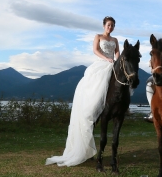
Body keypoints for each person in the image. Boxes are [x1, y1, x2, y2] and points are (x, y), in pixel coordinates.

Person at [45, 16, 120, 167]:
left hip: (113, 64)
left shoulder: (116, 40)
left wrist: (116, 61)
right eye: (108, 25)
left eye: (112, 25)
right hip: (101, 64)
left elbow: (118, 52)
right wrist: (107, 59)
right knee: (96, 87)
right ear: (104, 25)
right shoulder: (98, 37)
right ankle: (92, 108)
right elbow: (95, 50)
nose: (110, 27)